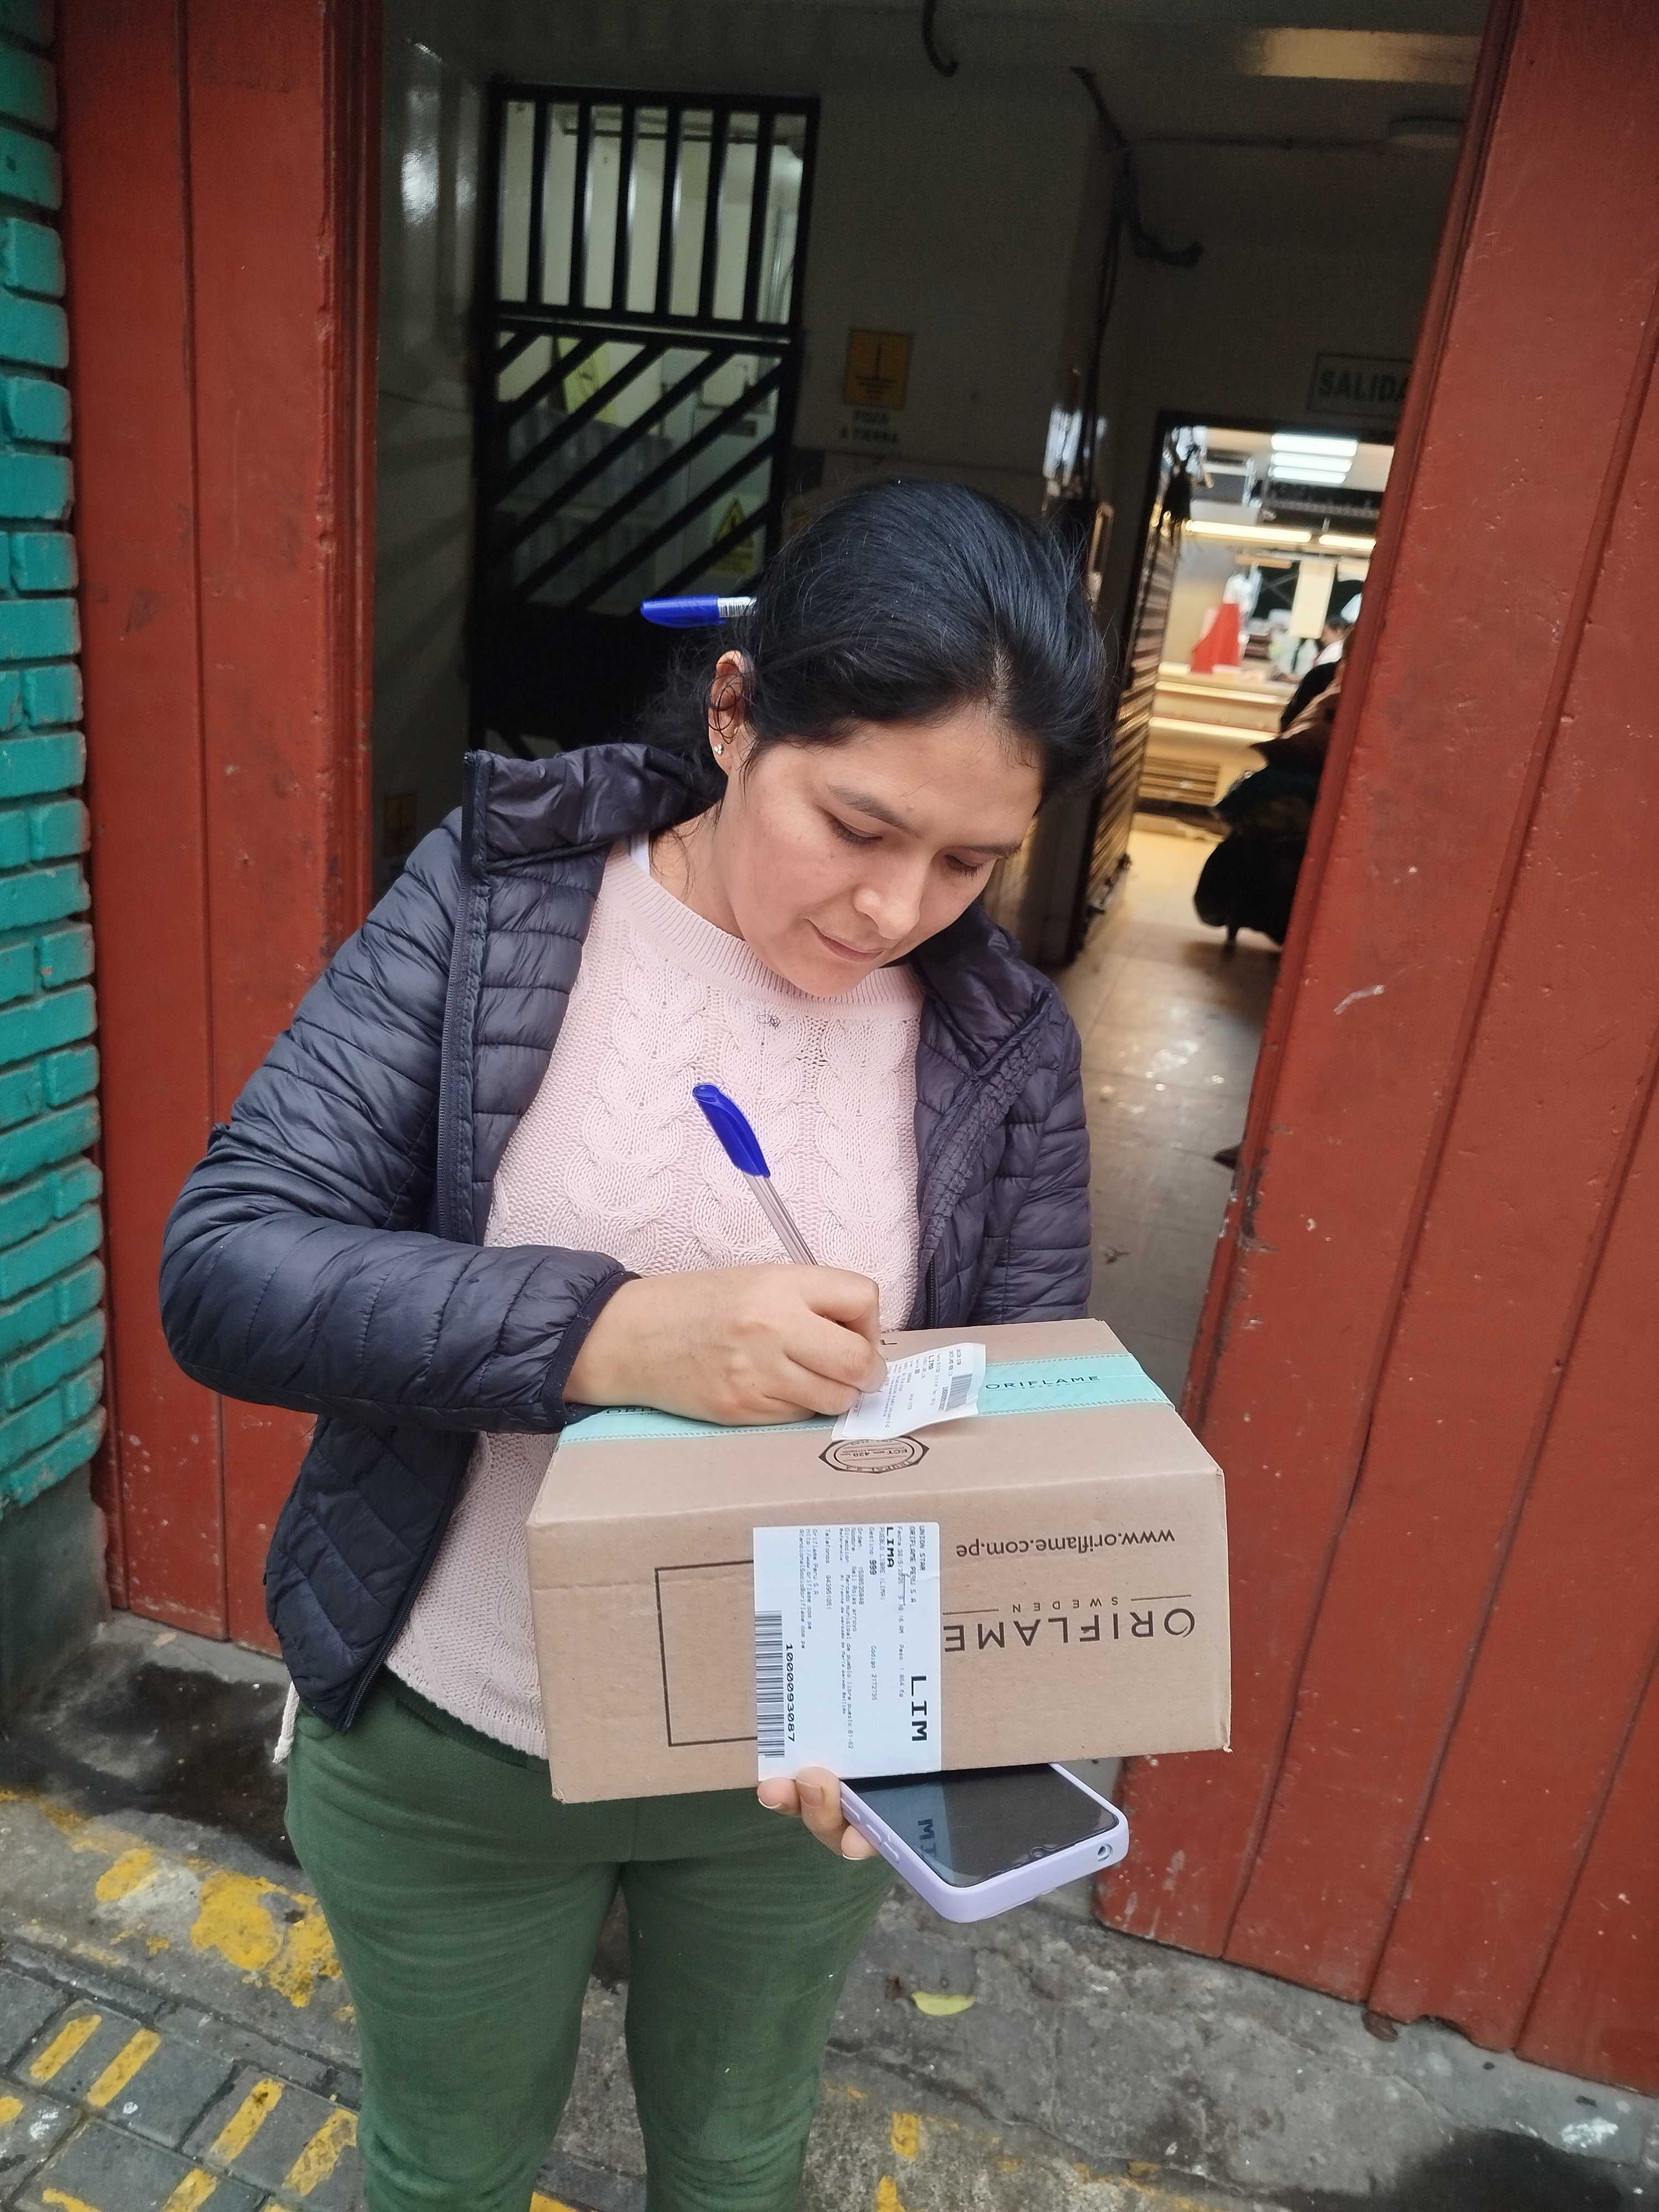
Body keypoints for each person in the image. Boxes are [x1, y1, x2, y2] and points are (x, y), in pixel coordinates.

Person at [159, 478, 1107, 2212]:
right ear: (736, 713)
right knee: (447, 2168)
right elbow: (229, 1264)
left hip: (786, 1772)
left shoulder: (1001, 1042)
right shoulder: (501, 905)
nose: (896, 907)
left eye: (969, 861)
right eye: (857, 824)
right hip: (455, 1731)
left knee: (737, 2162)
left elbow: (1015, 1429)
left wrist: (931, 1699)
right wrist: (601, 1331)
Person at [1276, 597, 1357, 730]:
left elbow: (1288, 720)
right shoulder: (1320, 674)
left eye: (1325, 633)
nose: (1323, 638)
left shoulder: (1331, 656)